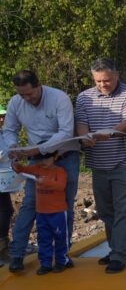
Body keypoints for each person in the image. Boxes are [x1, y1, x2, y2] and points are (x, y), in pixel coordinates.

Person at [4, 69, 79, 273]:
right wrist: (13, 147)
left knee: (65, 206)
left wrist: (39, 149)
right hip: (35, 157)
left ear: (39, 85)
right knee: (30, 204)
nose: (27, 98)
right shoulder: (16, 102)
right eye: (22, 95)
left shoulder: (59, 98)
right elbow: (9, 129)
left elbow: (66, 132)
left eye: (30, 93)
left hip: (65, 156)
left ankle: (62, 256)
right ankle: (17, 254)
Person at [75, 59, 126, 274]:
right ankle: (115, 250)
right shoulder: (84, 97)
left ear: (117, 74)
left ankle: (120, 255)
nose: (103, 84)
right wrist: (85, 137)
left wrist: (108, 133)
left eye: (107, 80)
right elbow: (81, 123)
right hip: (98, 164)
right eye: (98, 81)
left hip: (124, 163)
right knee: (106, 211)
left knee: (124, 211)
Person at [12, 149, 69, 275]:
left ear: (55, 157)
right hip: (41, 212)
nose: (43, 161)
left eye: (47, 158)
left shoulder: (59, 171)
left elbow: (61, 186)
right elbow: (22, 170)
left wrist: (45, 182)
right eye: (40, 158)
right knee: (43, 239)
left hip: (57, 212)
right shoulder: (37, 168)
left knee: (60, 238)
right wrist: (16, 165)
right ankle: (45, 263)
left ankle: (62, 261)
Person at [0, 104, 15, 265]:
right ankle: (2, 249)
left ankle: (4, 246)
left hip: (3, 181)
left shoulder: (3, 133)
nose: (1, 119)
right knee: (5, 210)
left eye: (2, 116)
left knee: (6, 210)